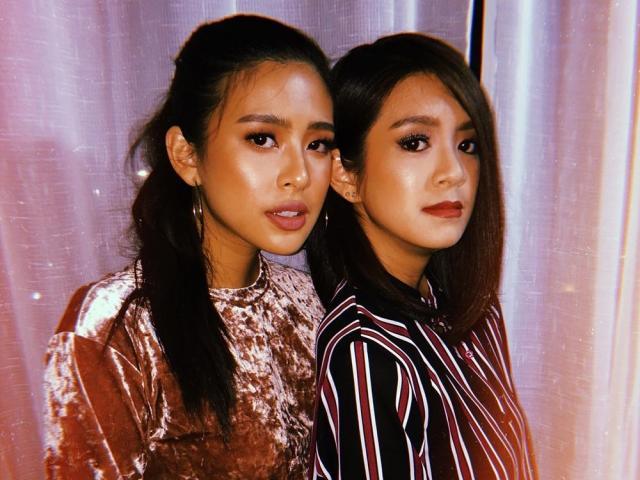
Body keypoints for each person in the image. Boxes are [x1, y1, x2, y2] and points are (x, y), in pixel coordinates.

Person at [44, 15, 337, 479]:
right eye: (263, 138)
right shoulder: (112, 328)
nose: (299, 174)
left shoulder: (313, 303)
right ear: (186, 155)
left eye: (318, 143)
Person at [307, 33, 537, 479]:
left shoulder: (473, 310)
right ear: (345, 175)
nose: (454, 172)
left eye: (467, 145)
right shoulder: (365, 350)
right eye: (415, 142)